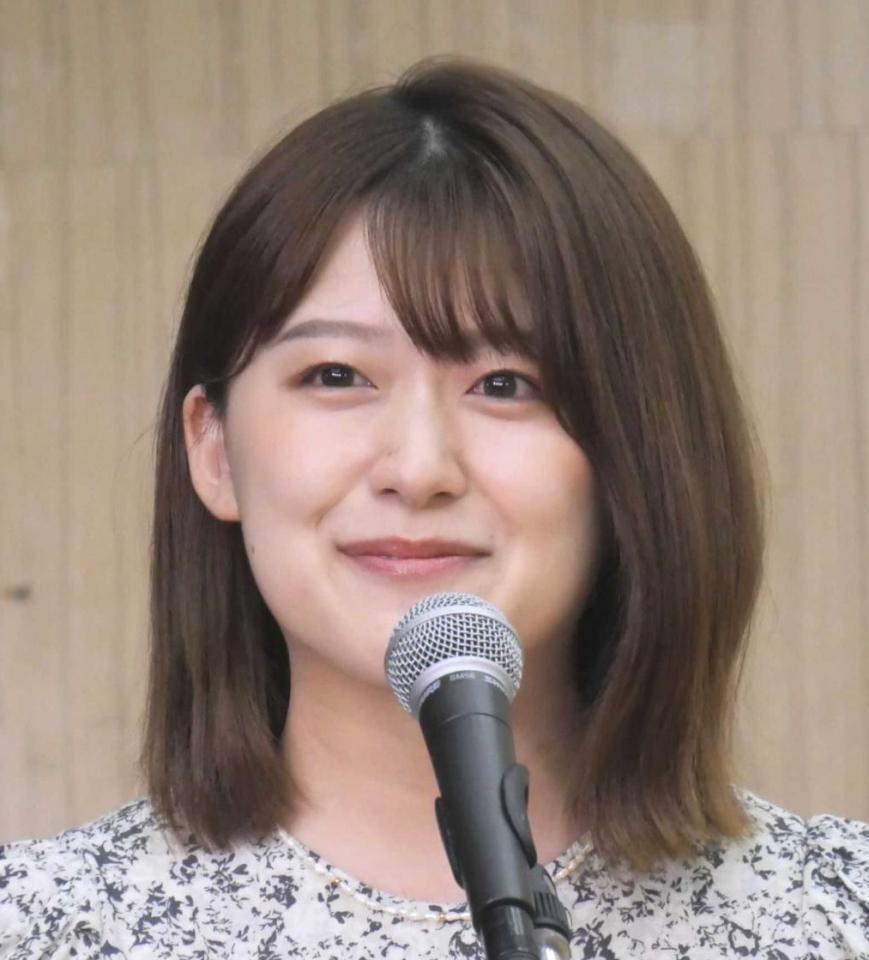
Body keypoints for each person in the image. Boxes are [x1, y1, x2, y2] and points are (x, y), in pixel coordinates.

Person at [1, 55, 866, 960]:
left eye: (505, 383)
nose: (418, 470)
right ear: (213, 449)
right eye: (336, 375)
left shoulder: (835, 919)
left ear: (638, 453)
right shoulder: (41, 930)